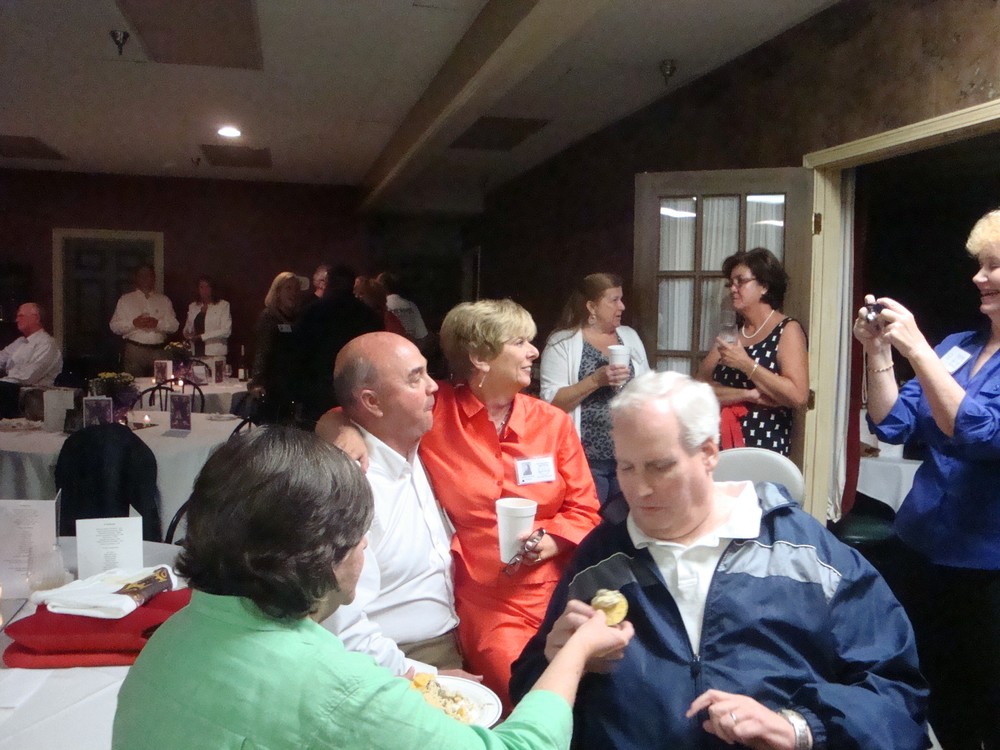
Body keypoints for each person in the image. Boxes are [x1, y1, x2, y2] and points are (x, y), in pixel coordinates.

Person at [112, 426, 633, 750]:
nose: (367, 549)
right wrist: (575, 654)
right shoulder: (337, 690)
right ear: (322, 555)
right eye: (362, 537)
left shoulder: (173, 636)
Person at [511, 371, 929, 750]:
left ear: (709, 453)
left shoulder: (804, 553)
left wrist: (799, 728)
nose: (639, 488)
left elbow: (896, 693)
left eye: (660, 466)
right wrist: (557, 659)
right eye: (626, 467)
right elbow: (529, 695)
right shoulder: (600, 559)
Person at [317, 299, 602, 710]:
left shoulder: (551, 422)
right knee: (530, 692)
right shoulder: (436, 415)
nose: (533, 351)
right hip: (484, 598)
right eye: (519, 341)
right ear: (480, 358)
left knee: (598, 686)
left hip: (556, 585)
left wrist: (553, 538)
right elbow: (361, 409)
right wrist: (339, 429)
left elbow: (586, 509)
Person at [853, 208, 1000, 750]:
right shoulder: (960, 345)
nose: (978, 277)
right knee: (934, 697)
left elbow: (980, 433)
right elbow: (891, 420)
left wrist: (916, 348)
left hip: (987, 567)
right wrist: (878, 351)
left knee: (989, 703)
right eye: (978, 265)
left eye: (992, 266)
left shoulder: (937, 351)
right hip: (920, 551)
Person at [320, 331, 467, 677]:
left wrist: (335, 423)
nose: (433, 386)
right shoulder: (353, 487)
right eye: (415, 378)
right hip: (399, 656)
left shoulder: (423, 442)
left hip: (460, 630)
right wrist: (425, 676)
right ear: (372, 402)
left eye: (427, 372)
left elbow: (337, 415)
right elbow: (338, 622)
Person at [540, 273, 649, 515]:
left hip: (628, 457)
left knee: (626, 524)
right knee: (588, 522)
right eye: (614, 300)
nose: (622, 306)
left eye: (621, 299)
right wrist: (595, 380)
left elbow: (647, 387)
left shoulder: (629, 337)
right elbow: (551, 404)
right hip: (586, 459)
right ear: (591, 306)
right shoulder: (563, 342)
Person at [696, 247, 808, 456]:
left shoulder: (787, 329)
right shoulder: (733, 333)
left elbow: (798, 396)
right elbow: (699, 388)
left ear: (764, 286)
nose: (733, 289)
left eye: (740, 281)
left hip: (763, 448)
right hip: (719, 446)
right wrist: (747, 395)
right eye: (731, 283)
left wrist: (746, 364)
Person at [295, 265, 383, 424]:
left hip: (317, 388)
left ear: (329, 282)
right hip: (356, 389)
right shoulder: (368, 315)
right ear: (353, 284)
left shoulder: (311, 312)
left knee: (317, 433)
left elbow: (298, 352)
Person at [248, 271, 301, 423]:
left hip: (292, 384)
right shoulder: (268, 317)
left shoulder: (298, 318)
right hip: (272, 385)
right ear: (277, 292)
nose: (293, 293)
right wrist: (257, 382)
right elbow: (262, 351)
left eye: (296, 289)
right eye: (288, 288)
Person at [109, 264, 179, 376]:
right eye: (142, 275)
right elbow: (114, 326)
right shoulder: (126, 300)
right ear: (136, 278)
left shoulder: (164, 300)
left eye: (149, 275)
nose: (145, 278)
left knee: (162, 383)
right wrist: (133, 324)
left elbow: (174, 326)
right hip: (135, 350)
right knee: (135, 383)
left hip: (159, 350)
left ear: (154, 278)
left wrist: (158, 324)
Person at [0, 303, 63, 418]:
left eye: (21, 316)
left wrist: (4, 380)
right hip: (9, 391)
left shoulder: (47, 344)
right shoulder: (19, 342)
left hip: (32, 399)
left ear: (36, 318)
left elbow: (28, 377)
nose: (17, 320)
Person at [181, 275, 231, 359]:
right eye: (201, 287)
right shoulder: (193, 306)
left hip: (215, 353)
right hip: (196, 352)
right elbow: (188, 327)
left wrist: (202, 336)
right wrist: (187, 333)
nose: (205, 290)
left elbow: (226, 331)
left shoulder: (223, 305)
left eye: (207, 287)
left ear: (213, 289)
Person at [376, 270, 429, 344]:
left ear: (380, 288)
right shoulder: (411, 305)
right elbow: (422, 335)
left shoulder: (383, 307)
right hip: (413, 346)